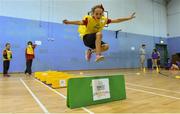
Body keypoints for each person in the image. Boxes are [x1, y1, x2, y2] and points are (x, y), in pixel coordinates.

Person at [63, 4, 135, 62]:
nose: (98, 16)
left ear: (102, 14)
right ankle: (98, 55)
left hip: (95, 40)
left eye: (100, 14)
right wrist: (68, 22)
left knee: (106, 47)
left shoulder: (104, 20)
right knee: (99, 34)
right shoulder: (89, 19)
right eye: (96, 14)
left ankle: (90, 51)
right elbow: (79, 22)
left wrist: (129, 18)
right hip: (87, 39)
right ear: (93, 13)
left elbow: (117, 20)